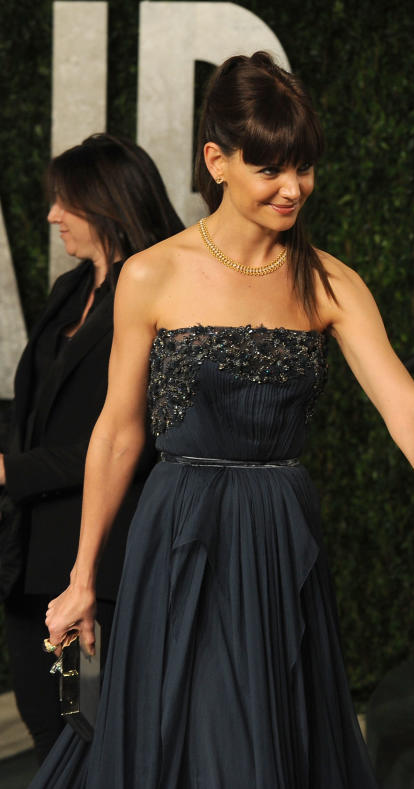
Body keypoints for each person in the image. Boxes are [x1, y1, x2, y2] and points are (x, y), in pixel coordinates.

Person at [31, 52, 414, 787]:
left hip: (278, 536)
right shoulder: (152, 274)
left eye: (305, 167)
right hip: (177, 536)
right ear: (216, 161)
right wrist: (80, 578)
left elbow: (405, 404)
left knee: (267, 746)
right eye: (271, 170)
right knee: (185, 743)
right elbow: (119, 431)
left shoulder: (329, 280)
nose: (294, 188)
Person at [0, 134, 182, 762]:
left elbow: (132, 435)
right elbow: (37, 414)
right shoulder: (68, 292)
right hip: (32, 560)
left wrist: (10, 470)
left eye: (63, 202)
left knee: (111, 740)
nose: (52, 216)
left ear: (106, 204)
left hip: (111, 558)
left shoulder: (164, 293)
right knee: (48, 727)